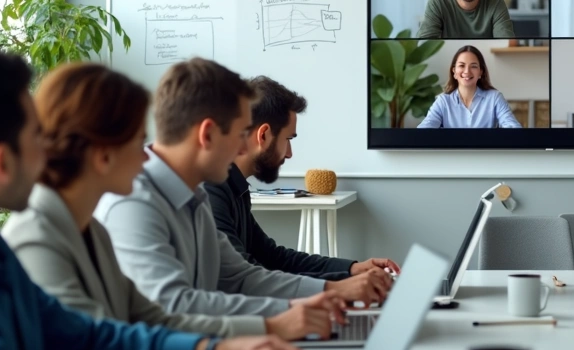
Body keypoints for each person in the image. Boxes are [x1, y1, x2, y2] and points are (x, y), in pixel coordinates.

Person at [0, 45, 320, 350]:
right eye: (36, 137)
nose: (49, 147)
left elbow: (93, 342)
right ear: (0, 162)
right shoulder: (26, 243)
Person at [2, 63, 344, 341]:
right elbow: (109, 348)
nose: (145, 155)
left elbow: (150, 317)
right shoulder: (117, 210)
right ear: (103, 154)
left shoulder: (97, 229)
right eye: (138, 141)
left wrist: (321, 295)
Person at [96, 58, 389, 329]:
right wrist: (280, 321)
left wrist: (330, 291)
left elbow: (240, 276)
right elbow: (173, 306)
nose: (241, 150)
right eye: (238, 135)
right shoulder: (134, 202)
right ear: (208, 134)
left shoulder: (193, 197)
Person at [207, 75, 402, 281]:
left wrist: (353, 269)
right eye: (288, 139)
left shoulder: (235, 187)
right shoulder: (212, 189)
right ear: (263, 135)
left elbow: (273, 257)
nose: (289, 153)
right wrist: (336, 289)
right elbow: (244, 278)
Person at [418, 45, 522, 129]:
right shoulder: (443, 101)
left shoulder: (494, 98)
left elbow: (513, 128)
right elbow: (425, 130)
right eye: (461, 65)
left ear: (480, 72)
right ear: (454, 71)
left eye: (473, 66)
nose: (467, 71)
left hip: (486, 154)